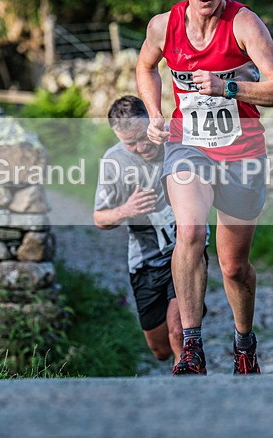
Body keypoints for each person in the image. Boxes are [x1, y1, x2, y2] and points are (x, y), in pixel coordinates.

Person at [136, 0, 273, 375]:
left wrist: (229, 87)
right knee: (189, 231)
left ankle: (244, 342)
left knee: (234, 266)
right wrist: (154, 113)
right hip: (188, 145)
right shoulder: (162, 26)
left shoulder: (244, 24)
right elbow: (146, 66)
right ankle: (191, 347)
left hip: (242, 150)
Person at [94, 95, 203, 365]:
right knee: (161, 349)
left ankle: (189, 392)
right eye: (130, 143)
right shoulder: (113, 162)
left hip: (185, 248)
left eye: (144, 135)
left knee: (178, 332)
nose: (142, 147)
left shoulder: (179, 142)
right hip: (145, 261)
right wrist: (125, 210)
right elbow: (99, 218)